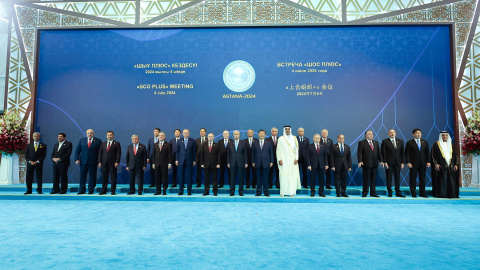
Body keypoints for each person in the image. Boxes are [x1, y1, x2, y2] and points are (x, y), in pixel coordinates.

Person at [431, 131, 459, 198]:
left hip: (451, 166)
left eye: (446, 135)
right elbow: (433, 155)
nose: (445, 137)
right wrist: (435, 164)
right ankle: (441, 194)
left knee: (451, 180)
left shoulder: (451, 144)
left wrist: (456, 164)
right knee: (442, 180)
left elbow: (455, 156)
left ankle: (452, 194)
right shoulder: (436, 144)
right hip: (441, 166)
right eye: (443, 135)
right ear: (441, 136)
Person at [75, 129, 102, 194]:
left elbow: (100, 152)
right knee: (82, 176)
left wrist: (99, 161)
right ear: (86, 134)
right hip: (83, 162)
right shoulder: (82, 140)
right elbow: (77, 150)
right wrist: (76, 159)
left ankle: (91, 189)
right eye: (88, 133)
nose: (89, 134)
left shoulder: (98, 141)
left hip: (93, 162)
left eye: (91, 133)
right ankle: (82, 189)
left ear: (93, 133)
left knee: (92, 176)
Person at [405, 129, 431, 198]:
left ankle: (422, 193)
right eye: (417, 133)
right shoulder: (409, 143)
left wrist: (428, 161)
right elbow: (407, 154)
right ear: (413, 134)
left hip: (423, 163)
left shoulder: (425, 142)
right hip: (413, 164)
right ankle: (413, 193)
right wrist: (408, 162)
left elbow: (427, 153)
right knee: (413, 178)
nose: (418, 134)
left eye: (419, 133)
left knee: (422, 179)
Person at [357, 130, 383, 197]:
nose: (371, 135)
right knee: (366, 179)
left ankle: (373, 193)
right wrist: (360, 161)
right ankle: (365, 192)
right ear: (366, 135)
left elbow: (379, 153)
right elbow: (359, 153)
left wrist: (381, 161)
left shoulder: (376, 143)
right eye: (369, 134)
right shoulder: (362, 142)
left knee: (373, 179)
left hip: (374, 163)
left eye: (372, 134)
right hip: (366, 163)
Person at [277, 126, 301, 196]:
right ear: (284, 130)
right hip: (284, 160)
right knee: (283, 175)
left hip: (292, 160)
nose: (287, 130)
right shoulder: (281, 139)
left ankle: (292, 191)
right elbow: (278, 150)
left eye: (288, 129)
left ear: (290, 130)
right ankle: (283, 191)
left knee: (292, 176)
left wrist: (296, 158)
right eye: (286, 129)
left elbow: (296, 149)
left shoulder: (294, 138)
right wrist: (279, 159)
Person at [381, 129, 406, 197]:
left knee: (397, 178)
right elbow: (383, 152)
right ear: (388, 134)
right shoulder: (385, 141)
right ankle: (390, 192)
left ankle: (398, 192)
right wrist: (385, 162)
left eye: (393, 132)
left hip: (398, 163)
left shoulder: (400, 141)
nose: (392, 134)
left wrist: (402, 162)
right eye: (391, 132)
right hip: (389, 163)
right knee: (389, 178)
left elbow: (402, 152)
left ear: (395, 133)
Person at [98, 131, 121, 195]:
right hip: (104, 163)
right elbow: (100, 153)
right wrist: (99, 161)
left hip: (113, 163)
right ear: (106, 136)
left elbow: (118, 154)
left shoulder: (116, 143)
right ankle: (103, 190)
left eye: (111, 135)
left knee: (113, 178)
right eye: (108, 135)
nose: (109, 136)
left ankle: (113, 190)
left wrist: (117, 161)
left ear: (113, 136)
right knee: (104, 178)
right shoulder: (103, 143)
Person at [252, 129, 274, 196]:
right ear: (258, 135)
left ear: (265, 135)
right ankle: (258, 192)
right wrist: (253, 161)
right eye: (260, 133)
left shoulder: (269, 142)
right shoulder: (254, 143)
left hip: (266, 163)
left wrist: (271, 161)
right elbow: (253, 153)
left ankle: (266, 191)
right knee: (258, 178)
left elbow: (271, 153)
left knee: (265, 178)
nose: (261, 135)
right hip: (257, 163)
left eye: (263, 133)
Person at [227, 130, 248, 196]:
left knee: (241, 178)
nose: (236, 135)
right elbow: (228, 154)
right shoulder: (230, 143)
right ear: (233, 135)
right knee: (232, 178)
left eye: (237, 134)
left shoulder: (243, 142)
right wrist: (228, 162)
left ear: (239, 135)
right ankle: (232, 191)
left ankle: (240, 191)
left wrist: (246, 162)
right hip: (232, 163)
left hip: (241, 163)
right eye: (235, 134)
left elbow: (245, 153)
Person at [176, 129, 196, 195]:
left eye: (187, 133)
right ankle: (181, 190)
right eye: (184, 133)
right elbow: (177, 151)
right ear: (182, 134)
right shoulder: (179, 141)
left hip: (189, 161)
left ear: (189, 133)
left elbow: (194, 152)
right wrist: (176, 160)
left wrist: (194, 160)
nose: (186, 134)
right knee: (181, 176)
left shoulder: (192, 141)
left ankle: (189, 190)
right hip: (181, 161)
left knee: (189, 176)